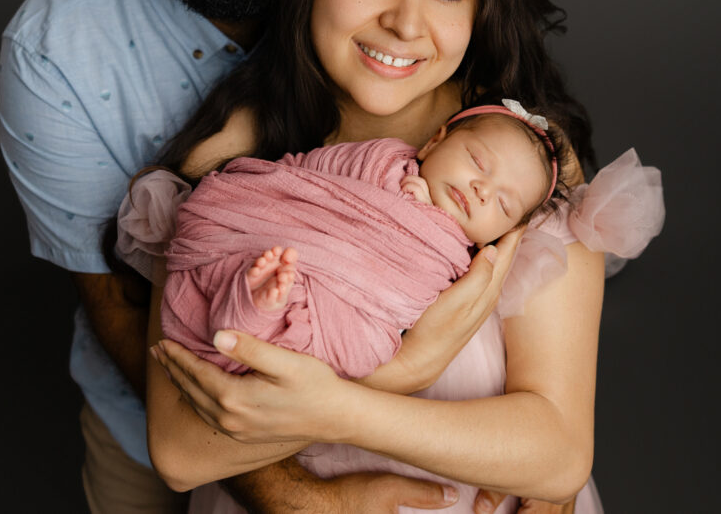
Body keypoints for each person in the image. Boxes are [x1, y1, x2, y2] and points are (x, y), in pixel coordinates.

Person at [129, 0, 658, 513]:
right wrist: (406, 370)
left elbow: (556, 451)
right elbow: (177, 450)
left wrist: (346, 406)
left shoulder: (516, 165)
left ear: (480, 9)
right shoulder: (236, 162)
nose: (407, 22)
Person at [0, 0, 339, 513]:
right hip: (149, 414)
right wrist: (294, 497)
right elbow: (116, 303)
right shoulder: (53, 49)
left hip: (374, 413)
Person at [120, 101, 632, 381]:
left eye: (502, 203)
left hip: (362, 302)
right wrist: (392, 191)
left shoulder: (461, 259)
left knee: (358, 346)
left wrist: (415, 216)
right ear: (434, 142)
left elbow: (411, 307)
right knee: (265, 268)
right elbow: (302, 174)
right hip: (281, 236)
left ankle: (252, 313)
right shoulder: (380, 159)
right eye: (478, 162)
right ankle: (253, 304)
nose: (481, 190)